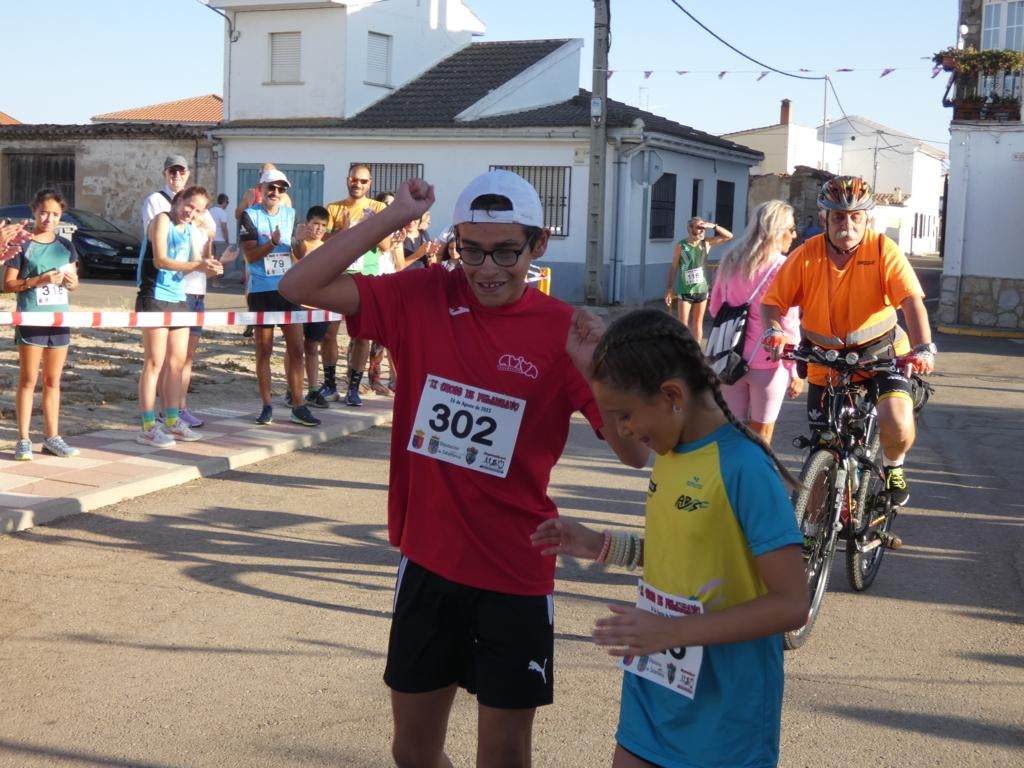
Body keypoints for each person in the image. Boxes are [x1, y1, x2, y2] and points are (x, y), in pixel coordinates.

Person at [279, 170, 647, 768]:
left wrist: (602, 372)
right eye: (471, 249)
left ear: (538, 246)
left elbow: (636, 453)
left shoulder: (563, 329)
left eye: (506, 250)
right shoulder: (423, 294)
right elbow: (299, 284)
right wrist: (394, 217)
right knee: (414, 752)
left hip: (515, 570)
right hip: (428, 561)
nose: (487, 268)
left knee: (502, 757)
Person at [530, 308, 807, 768]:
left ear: (672, 395)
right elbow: (683, 555)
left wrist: (673, 631)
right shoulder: (672, 451)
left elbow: (791, 602)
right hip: (654, 688)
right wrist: (598, 544)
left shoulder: (744, 468)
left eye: (624, 415)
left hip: (725, 711)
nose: (622, 431)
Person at [761, 176, 936, 507]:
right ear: (825, 216)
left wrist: (923, 347)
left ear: (867, 218)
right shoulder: (807, 254)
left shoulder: (883, 249)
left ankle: (893, 467)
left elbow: (912, 301)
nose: (848, 224)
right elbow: (772, 302)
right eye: (839, 216)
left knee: (896, 419)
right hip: (825, 362)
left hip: (881, 355)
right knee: (820, 455)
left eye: (856, 216)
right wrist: (773, 330)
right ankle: (811, 539)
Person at [709, 201, 803, 445]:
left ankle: (731, 482)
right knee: (761, 438)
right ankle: (754, 482)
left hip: (730, 359)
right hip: (770, 364)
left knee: (732, 434)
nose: (794, 235)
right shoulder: (784, 268)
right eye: (791, 229)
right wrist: (795, 371)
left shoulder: (730, 260)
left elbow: (715, 308)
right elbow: (788, 324)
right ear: (777, 230)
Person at [135, 186, 222, 447]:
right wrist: (198, 265)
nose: (191, 213)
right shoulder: (161, 220)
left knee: (177, 362)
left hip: (178, 297)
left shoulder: (189, 230)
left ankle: (172, 420)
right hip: (154, 296)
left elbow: (189, 267)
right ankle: (148, 426)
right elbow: (161, 260)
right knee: (154, 362)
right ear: (178, 200)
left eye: (198, 210)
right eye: (189, 206)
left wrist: (213, 266)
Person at [238, 168, 321, 428]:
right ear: (260, 189)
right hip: (262, 290)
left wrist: (298, 242)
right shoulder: (248, 216)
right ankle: (266, 405)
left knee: (296, 349)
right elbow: (250, 256)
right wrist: (272, 243)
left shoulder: (290, 214)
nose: (275, 193)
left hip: (288, 287)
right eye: (270, 188)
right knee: (264, 350)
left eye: (281, 189)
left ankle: (298, 404)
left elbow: (298, 254)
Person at [3, 190, 81, 460]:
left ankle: (52, 437)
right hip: (32, 317)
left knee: (53, 380)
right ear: (34, 210)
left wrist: (71, 282)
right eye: (44, 212)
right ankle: (23, 439)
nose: (49, 218)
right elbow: (8, 284)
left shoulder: (65, 246)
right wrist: (39, 280)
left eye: (56, 214)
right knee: (28, 379)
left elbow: (74, 280)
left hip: (59, 320)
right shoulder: (23, 244)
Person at [323, 163, 391, 407]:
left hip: (366, 276)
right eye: (354, 179)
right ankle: (329, 383)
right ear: (347, 179)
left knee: (362, 334)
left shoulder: (378, 207)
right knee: (329, 332)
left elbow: (386, 247)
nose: (358, 184)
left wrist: (374, 226)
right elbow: (323, 243)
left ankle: (353, 387)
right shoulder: (333, 208)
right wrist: (342, 230)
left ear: (370, 183)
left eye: (363, 181)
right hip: (338, 275)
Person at [665, 217, 732, 346]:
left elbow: (729, 236)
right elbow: (673, 267)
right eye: (699, 228)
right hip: (685, 291)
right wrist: (668, 289)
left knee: (697, 323)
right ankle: (682, 349)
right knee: (683, 323)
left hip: (701, 290)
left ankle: (696, 352)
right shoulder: (681, 246)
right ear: (690, 229)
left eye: (703, 228)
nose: (702, 231)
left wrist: (713, 226)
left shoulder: (706, 243)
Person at [291, 205, 332, 409]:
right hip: (298, 304)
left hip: (319, 305)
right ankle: (293, 389)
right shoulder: (297, 245)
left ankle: (314, 389)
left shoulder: (328, 247)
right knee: (295, 349)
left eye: (323, 225)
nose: (318, 228)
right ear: (307, 224)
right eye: (315, 223)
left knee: (313, 347)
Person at [141, 155, 191, 241]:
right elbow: (151, 236)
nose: (177, 175)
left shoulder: (193, 200)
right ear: (164, 174)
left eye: (182, 171)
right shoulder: (154, 201)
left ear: (188, 174)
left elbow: (209, 231)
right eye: (172, 171)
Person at [209, 193, 231, 259]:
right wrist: (227, 241)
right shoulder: (222, 213)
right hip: (220, 240)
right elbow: (224, 228)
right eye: (227, 202)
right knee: (221, 260)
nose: (227, 204)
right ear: (224, 202)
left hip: (210, 239)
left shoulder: (210, 211)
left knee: (211, 259)